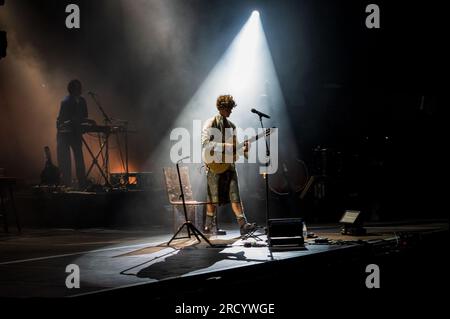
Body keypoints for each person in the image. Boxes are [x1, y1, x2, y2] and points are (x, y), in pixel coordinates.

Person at [201, 94, 256, 236]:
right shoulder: (210, 122)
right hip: (214, 165)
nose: (231, 111)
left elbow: (235, 148)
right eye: (229, 108)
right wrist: (225, 146)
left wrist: (244, 149)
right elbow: (206, 144)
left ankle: (243, 225)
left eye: (231, 108)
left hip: (229, 165)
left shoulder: (232, 126)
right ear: (222, 107)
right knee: (212, 198)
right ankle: (208, 226)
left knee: (235, 194)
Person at [56, 79, 88, 189]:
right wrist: (71, 122)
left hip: (76, 134)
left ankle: (82, 183)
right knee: (66, 161)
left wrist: (88, 122)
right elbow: (61, 121)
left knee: (79, 158)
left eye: (80, 87)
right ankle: (67, 184)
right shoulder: (65, 101)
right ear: (72, 89)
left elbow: (84, 117)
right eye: (77, 88)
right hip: (64, 135)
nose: (80, 90)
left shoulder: (83, 101)